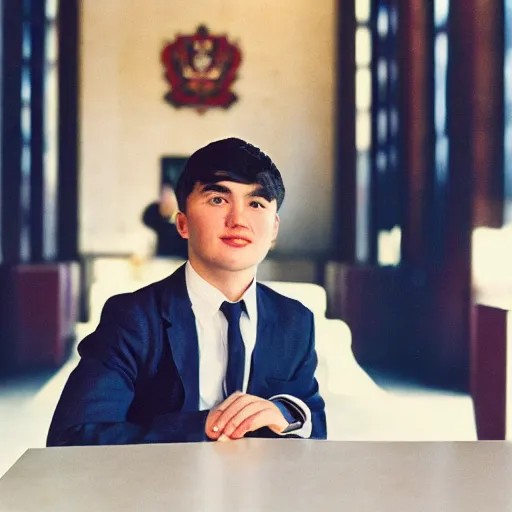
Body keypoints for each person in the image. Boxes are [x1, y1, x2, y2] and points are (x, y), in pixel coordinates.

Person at [47, 137, 326, 446]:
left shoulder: (295, 320)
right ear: (183, 223)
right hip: (161, 488)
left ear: (273, 229)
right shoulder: (132, 318)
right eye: (218, 200)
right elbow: (72, 437)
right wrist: (202, 427)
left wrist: (283, 415)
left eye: (256, 203)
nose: (238, 220)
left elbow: (311, 422)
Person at [142, 183, 189, 259]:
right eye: (164, 198)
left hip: (180, 259)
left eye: (169, 198)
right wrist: (160, 209)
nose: (167, 202)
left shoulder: (185, 218)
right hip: (161, 260)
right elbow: (146, 218)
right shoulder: (156, 216)